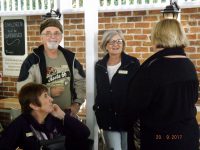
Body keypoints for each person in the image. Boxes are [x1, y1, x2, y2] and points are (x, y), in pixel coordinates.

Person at [128, 19, 199, 150]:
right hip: (188, 136)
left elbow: (134, 105)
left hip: (161, 139)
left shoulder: (152, 68)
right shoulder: (189, 65)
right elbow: (192, 99)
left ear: (158, 35)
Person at [17, 18, 86, 117]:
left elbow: (81, 82)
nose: (52, 36)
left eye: (57, 33)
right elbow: (23, 91)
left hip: (66, 116)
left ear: (61, 36)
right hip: (41, 118)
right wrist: (49, 92)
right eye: (48, 33)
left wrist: (77, 104)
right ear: (41, 37)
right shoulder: (32, 61)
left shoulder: (70, 58)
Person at [0, 82, 90, 150]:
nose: (51, 99)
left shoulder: (57, 119)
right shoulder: (21, 124)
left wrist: (63, 115)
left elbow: (84, 133)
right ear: (34, 105)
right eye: (46, 96)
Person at [93, 30, 140, 150]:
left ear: (123, 44)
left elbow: (138, 89)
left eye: (119, 41)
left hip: (127, 117)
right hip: (108, 118)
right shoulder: (99, 66)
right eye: (111, 41)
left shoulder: (132, 63)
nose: (116, 44)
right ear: (105, 45)